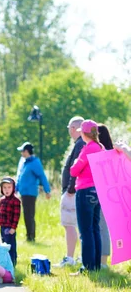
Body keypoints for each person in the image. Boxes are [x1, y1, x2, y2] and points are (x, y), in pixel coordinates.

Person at [70, 119, 104, 273]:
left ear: (84, 133)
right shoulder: (100, 147)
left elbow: (74, 171)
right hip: (97, 191)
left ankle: (87, 266)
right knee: (95, 228)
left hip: (85, 191)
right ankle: (96, 265)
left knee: (85, 230)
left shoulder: (88, 148)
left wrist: (77, 161)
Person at [55, 116, 85, 267]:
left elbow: (76, 169)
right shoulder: (80, 143)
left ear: (73, 128)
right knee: (76, 224)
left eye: (69, 128)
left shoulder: (80, 144)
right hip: (74, 190)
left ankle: (70, 258)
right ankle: (78, 256)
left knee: (69, 224)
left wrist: (70, 190)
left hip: (72, 192)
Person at [16, 142, 51, 242]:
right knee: (26, 214)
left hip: (30, 193)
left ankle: (31, 237)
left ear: (27, 151)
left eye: (22, 151)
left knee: (29, 215)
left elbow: (42, 176)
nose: (21, 153)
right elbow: (19, 177)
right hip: (23, 193)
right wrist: (16, 189)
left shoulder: (35, 162)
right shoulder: (24, 162)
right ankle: (29, 236)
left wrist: (47, 190)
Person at [97, 124, 114, 268]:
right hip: (108, 194)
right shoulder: (113, 152)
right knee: (100, 227)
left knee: (101, 227)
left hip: (102, 194)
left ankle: (103, 261)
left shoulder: (103, 154)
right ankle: (100, 259)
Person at [0, 177, 21, 266]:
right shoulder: (2, 200)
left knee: (11, 246)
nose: (7, 190)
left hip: (10, 228)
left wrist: (14, 227)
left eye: (9, 187)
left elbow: (16, 215)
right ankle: (4, 261)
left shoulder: (16, 201)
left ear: (13, 188)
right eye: (4, 187)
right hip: (2, 227)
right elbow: (0, 213)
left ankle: (12, 262)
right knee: (3, 245)